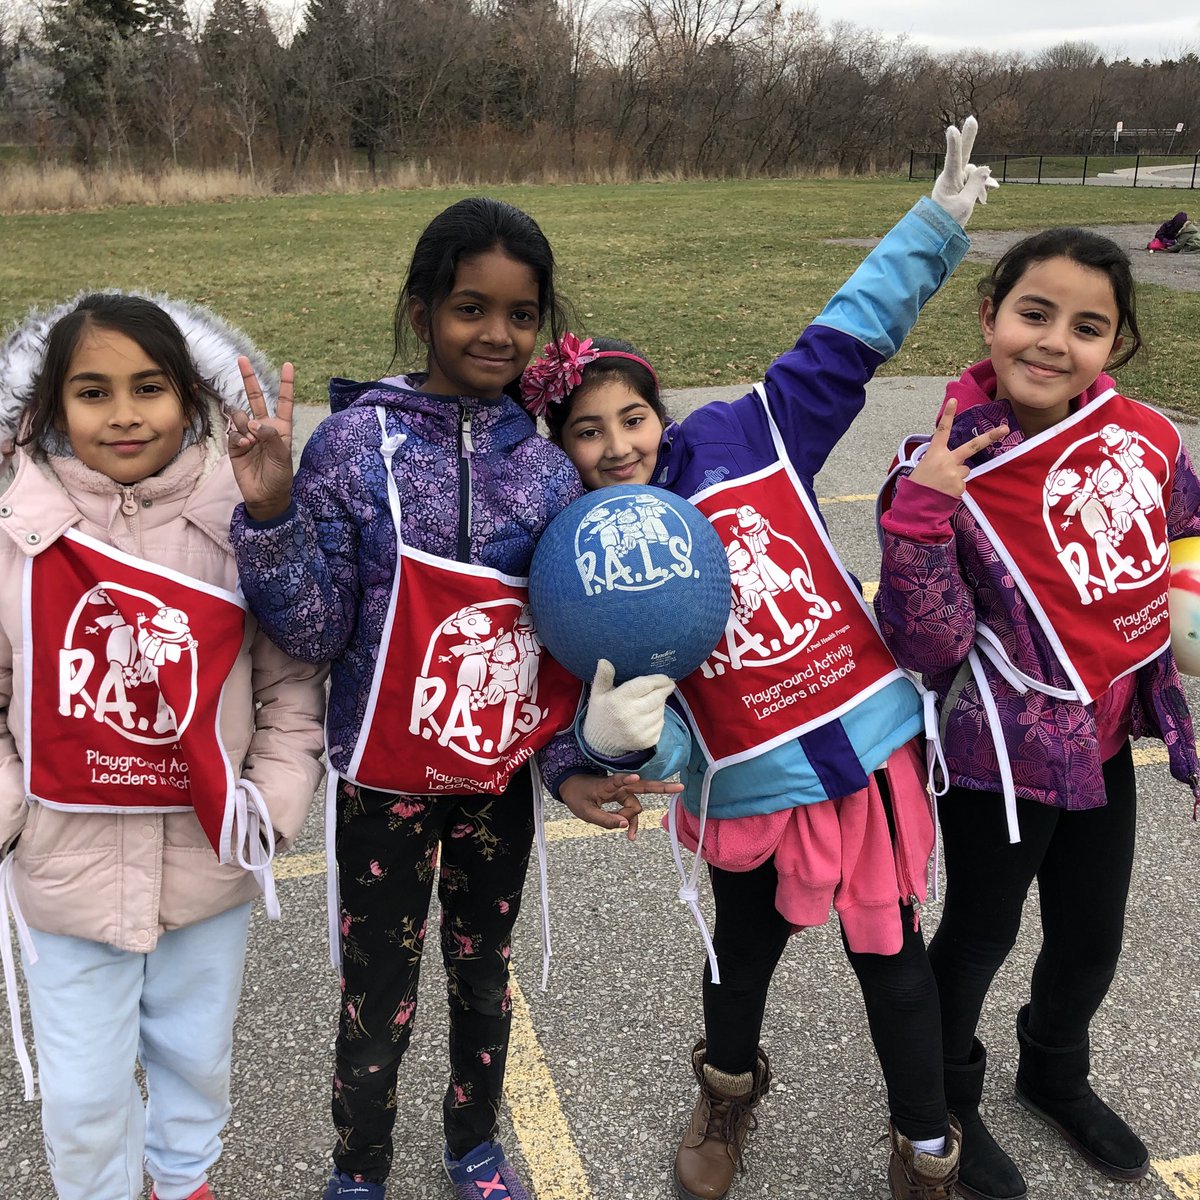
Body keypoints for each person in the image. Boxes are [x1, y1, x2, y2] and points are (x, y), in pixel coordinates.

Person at [519, 120, 998, 1200]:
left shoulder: (749, 438)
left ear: (660, 412)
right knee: (739, 965)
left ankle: (926, 1145)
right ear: (564, 454)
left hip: (867, 754)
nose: (617, 445)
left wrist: (933, 229)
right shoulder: (580, 558)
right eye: (586, 434)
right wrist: (619, 735)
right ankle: (728, 1089)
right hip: (753, 786)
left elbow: (845, 338)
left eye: (631, 416)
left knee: (895, 968)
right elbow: (637, 714)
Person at [225, 196, 682, 1200]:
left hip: (493, 786)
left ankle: (473, 1145)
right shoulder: (351, 448)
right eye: (472, 308)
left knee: (485, 977)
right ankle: (359, 1165)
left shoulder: (548, 469)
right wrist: (270, 514)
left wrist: (567, 765)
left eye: (521, 316)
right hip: (383, 784)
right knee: (376, 995)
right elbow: (314, 632)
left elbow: (559, 656)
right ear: (422, 309)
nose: (497, 334)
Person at [874, 227, 1200, 1200]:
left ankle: (1053, 1070)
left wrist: (1187, 598)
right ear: (989, 318)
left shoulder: (1144, 437)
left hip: (1102, 741)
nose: (1056, 341)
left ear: (1118, 346)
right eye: (1035, 313)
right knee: (977, 936)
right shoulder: (943, 465)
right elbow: (925, 643)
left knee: (1092, 932)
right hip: (999, 757)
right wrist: (923, 514)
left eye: (1088, 325)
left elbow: (1183, 522)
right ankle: (947, 1100)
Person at [0, 292, 327, 1200]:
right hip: (64, 866)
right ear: (50, 408)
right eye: (93, 391)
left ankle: (182, 1180)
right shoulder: (20, 535)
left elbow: (290, 680)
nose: (124, 414)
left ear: (191, 396)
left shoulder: (238, 523)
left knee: (196, 1057)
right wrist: (15, 812)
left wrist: (271, 799)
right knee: (81, 1094)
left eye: (149, 387)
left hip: (207, 854)